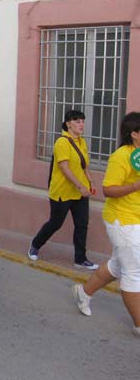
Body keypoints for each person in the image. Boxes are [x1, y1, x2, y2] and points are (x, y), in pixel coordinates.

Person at [72, 112, 140, 337]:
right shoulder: (121, 156)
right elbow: (108, 189)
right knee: (133, 272)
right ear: (134, 134)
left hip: (136, 218)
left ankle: (84, 292)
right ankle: (138, 324)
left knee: (118, 266)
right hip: (123, 219)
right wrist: (136, 185)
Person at [28, 110, 98, 269]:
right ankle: (35, 244)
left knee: (82, 224)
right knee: (55, 223)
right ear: (68, 124)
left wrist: (91, 182)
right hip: (62, 192)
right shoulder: (62, 142)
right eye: (77, 121)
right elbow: (64, 168)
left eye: (82, 121)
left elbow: (84, 165)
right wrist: (80, 186)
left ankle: (80, 259)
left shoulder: (81, 142)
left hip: (79, 193)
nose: (81, 124)